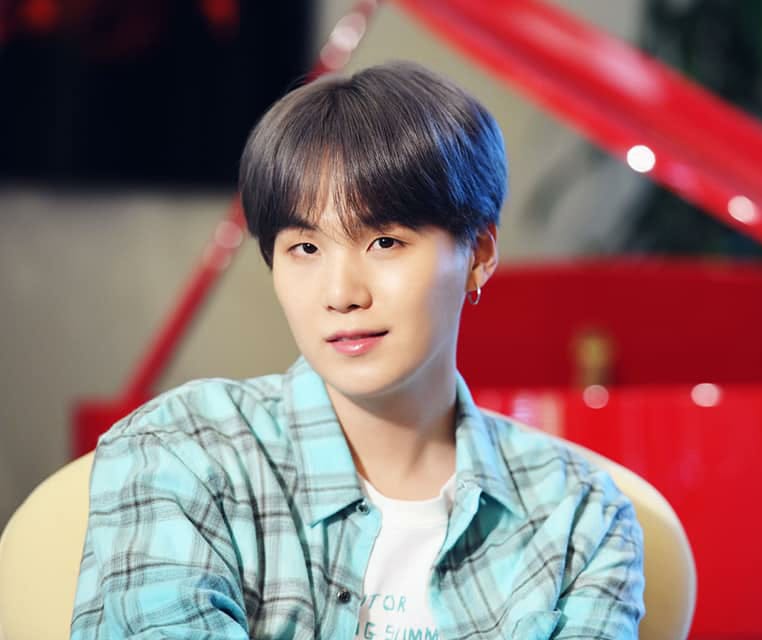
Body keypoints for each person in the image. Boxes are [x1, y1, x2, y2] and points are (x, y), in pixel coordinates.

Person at [70, 61, 644, 639]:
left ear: (479, 253)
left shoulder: (580, 517)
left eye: (385, 241)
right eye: (305, 248)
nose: (342, 294)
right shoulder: (181, 455)